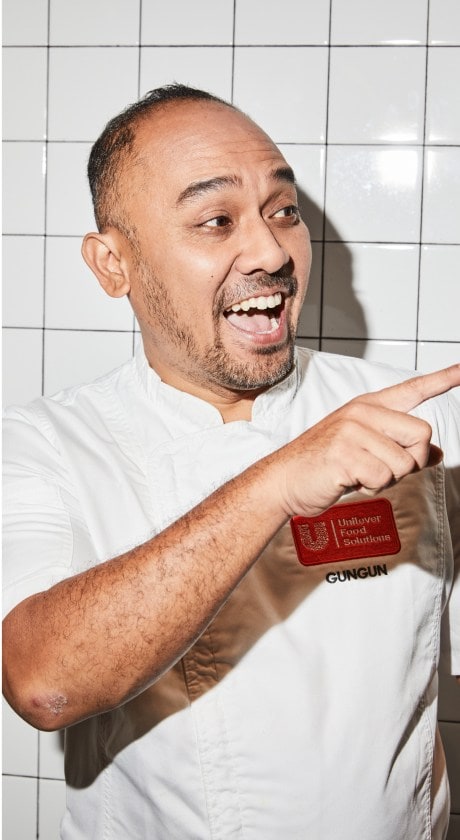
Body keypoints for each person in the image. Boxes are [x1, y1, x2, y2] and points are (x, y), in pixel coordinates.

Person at [2, 83, 459, 840]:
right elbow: (44, 683)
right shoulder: (48, 443)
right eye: (217, 221)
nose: (273, 252)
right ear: (113, 264)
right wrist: (277, 481)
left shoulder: (419, 416)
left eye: (283, 211)